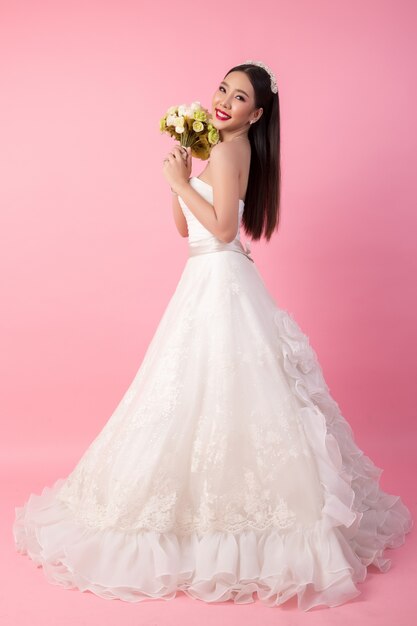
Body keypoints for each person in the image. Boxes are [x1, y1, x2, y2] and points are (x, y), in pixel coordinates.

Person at [13, 61, 413, 611]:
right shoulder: (216, 152)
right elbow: (186, 228)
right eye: (223, 88)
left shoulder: (231, 151)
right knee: (198, 398)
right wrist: (181, 175)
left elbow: (225, 229)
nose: (224, 99)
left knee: (214, 398)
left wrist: (182, 181)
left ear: (258, 114)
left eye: (240, 96)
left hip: (220, 281)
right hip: (204, 277)